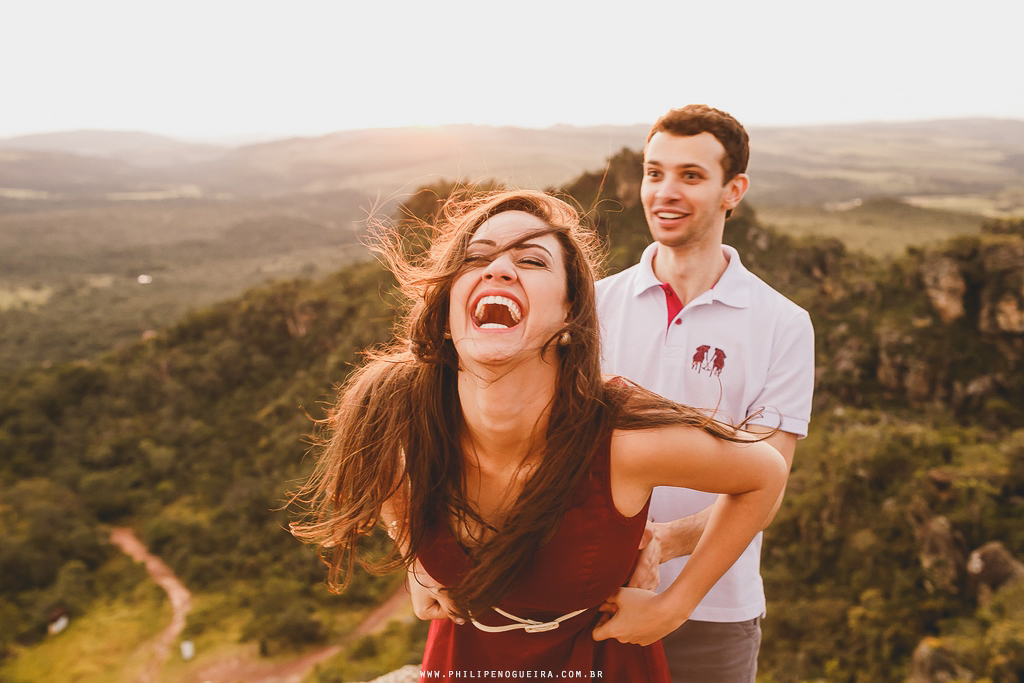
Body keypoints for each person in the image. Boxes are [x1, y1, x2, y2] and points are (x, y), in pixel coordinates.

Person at [290, 189, 788, 681]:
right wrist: (416, 557)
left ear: (571, 313)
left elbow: (765, 475)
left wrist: (674, 606)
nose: (498, 269)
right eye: (475, 258)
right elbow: (381, 475)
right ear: (445, 310)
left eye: (531, 260)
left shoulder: (618, 439)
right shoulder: (397, 412)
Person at [595, 105, 816, 682]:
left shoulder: (784, 324)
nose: (665, 192)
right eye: (654, 172)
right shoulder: (590, 306)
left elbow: (766, 483)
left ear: (732, 190)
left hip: (716, 610)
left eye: (690, 176)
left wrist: (662, 543)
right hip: (590, 593)